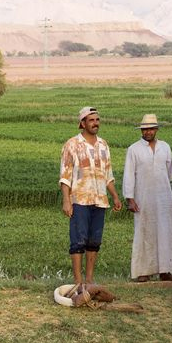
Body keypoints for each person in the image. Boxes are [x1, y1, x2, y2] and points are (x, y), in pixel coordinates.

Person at [123, 114, 172, 283]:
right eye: (145, 129)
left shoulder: (165, 147)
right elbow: (129, 175)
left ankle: (165, 271)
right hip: (143, 198)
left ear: (156, 129)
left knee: (165, 232)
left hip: (164, 198)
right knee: (145, 232)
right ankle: (143, 271)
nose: (148, 132)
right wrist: (129, 198)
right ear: (141, 130)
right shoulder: (134, 149)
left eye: (151, 129)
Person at [59, 106, 122, 286]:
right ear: (82, 123)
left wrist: (115, 197)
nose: (95, 123)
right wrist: (66, 201)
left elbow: (107, 175)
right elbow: (65, 175)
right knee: (78, 241)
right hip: (79, 199)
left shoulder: (103, 145)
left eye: (97, 120)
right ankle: (78, 281)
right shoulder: (72, 145)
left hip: (100, 199)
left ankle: (89, 279)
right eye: (91, 120)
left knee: (94, 241)